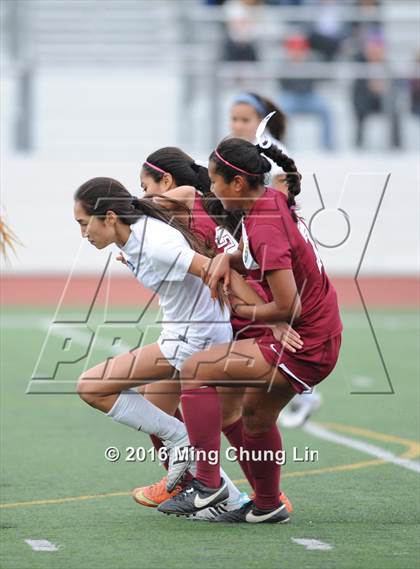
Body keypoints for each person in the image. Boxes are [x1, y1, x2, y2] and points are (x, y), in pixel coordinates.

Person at [74, 175, 294, 517]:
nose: (83, 234)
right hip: (182, 333)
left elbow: (220, 272)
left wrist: (273, 320)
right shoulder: (133, 232)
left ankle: (189, 453)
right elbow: (189, 191)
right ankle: (229, 495)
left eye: (85, 224)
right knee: (161, 405)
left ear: (111, 218)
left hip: (196, 339)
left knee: (92, 387)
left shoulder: (154, 244)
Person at [158, 137, 342, 523]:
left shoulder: (263, 223)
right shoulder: (268, 202)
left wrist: (246, 309)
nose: (211, 188)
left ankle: (207, 485)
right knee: (256, 418)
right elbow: (256, 255)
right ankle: (267, 505)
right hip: (322, 331)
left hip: (305, 343)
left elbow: (287, 306)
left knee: (196, 370)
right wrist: (229, 258)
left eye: (215, 180)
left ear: (237, 183)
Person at [130, 147, 297, 517]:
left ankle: (257, 494)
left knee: (231, 416)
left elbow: (151, 206)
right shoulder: (197, 209)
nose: (143, 196)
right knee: (155, 403)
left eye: (146, 186)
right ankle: (192, 482)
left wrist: (123, 212)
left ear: (167, 181)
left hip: (238, 319)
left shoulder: (192, 200)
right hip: (221, 318)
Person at [229, 99, 323, 427]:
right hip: (257, 243)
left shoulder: (270, 155)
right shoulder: (240, 155)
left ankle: (304, 390)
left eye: (245, 119)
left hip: (273, 246)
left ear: (260, 121)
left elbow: (279, 207)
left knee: (267, 311)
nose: (238, 124)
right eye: (234, 118)